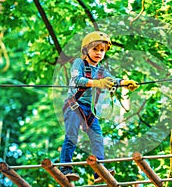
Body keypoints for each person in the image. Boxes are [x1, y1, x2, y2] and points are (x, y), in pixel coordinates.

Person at [59, 31, 138, 183]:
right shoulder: (79, 63)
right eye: (95, 49)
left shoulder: (101, 70)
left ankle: (99, 171)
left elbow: (112, 79)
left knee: (97, 138)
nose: (99, 53)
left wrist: (124, 83)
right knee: (71, 136)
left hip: (90, 111)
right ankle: (65, 168)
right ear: (86, 50)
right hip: (74, 106)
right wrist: (96, 83)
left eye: (102, 50)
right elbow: (76, 80)